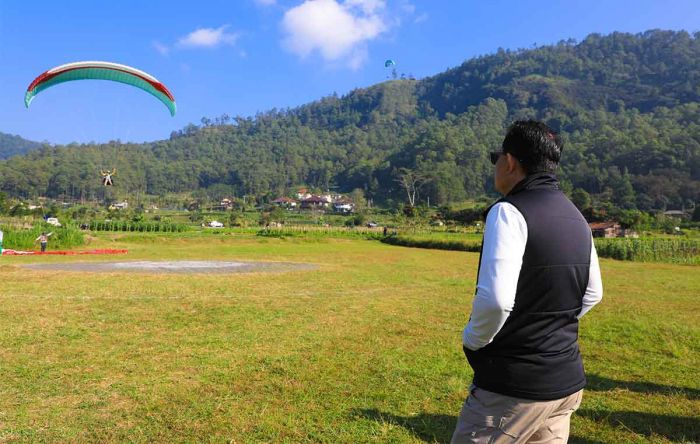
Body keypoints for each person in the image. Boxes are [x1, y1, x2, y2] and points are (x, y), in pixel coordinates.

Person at [451, 120, 603, 443]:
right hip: (565, 386)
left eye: (497, 159)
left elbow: (495, 301)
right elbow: (592, 293)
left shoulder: (508, 212)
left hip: (511, 390)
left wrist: (473, 340)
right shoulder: (578, 219)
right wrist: (549, 328)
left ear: (510, 161)